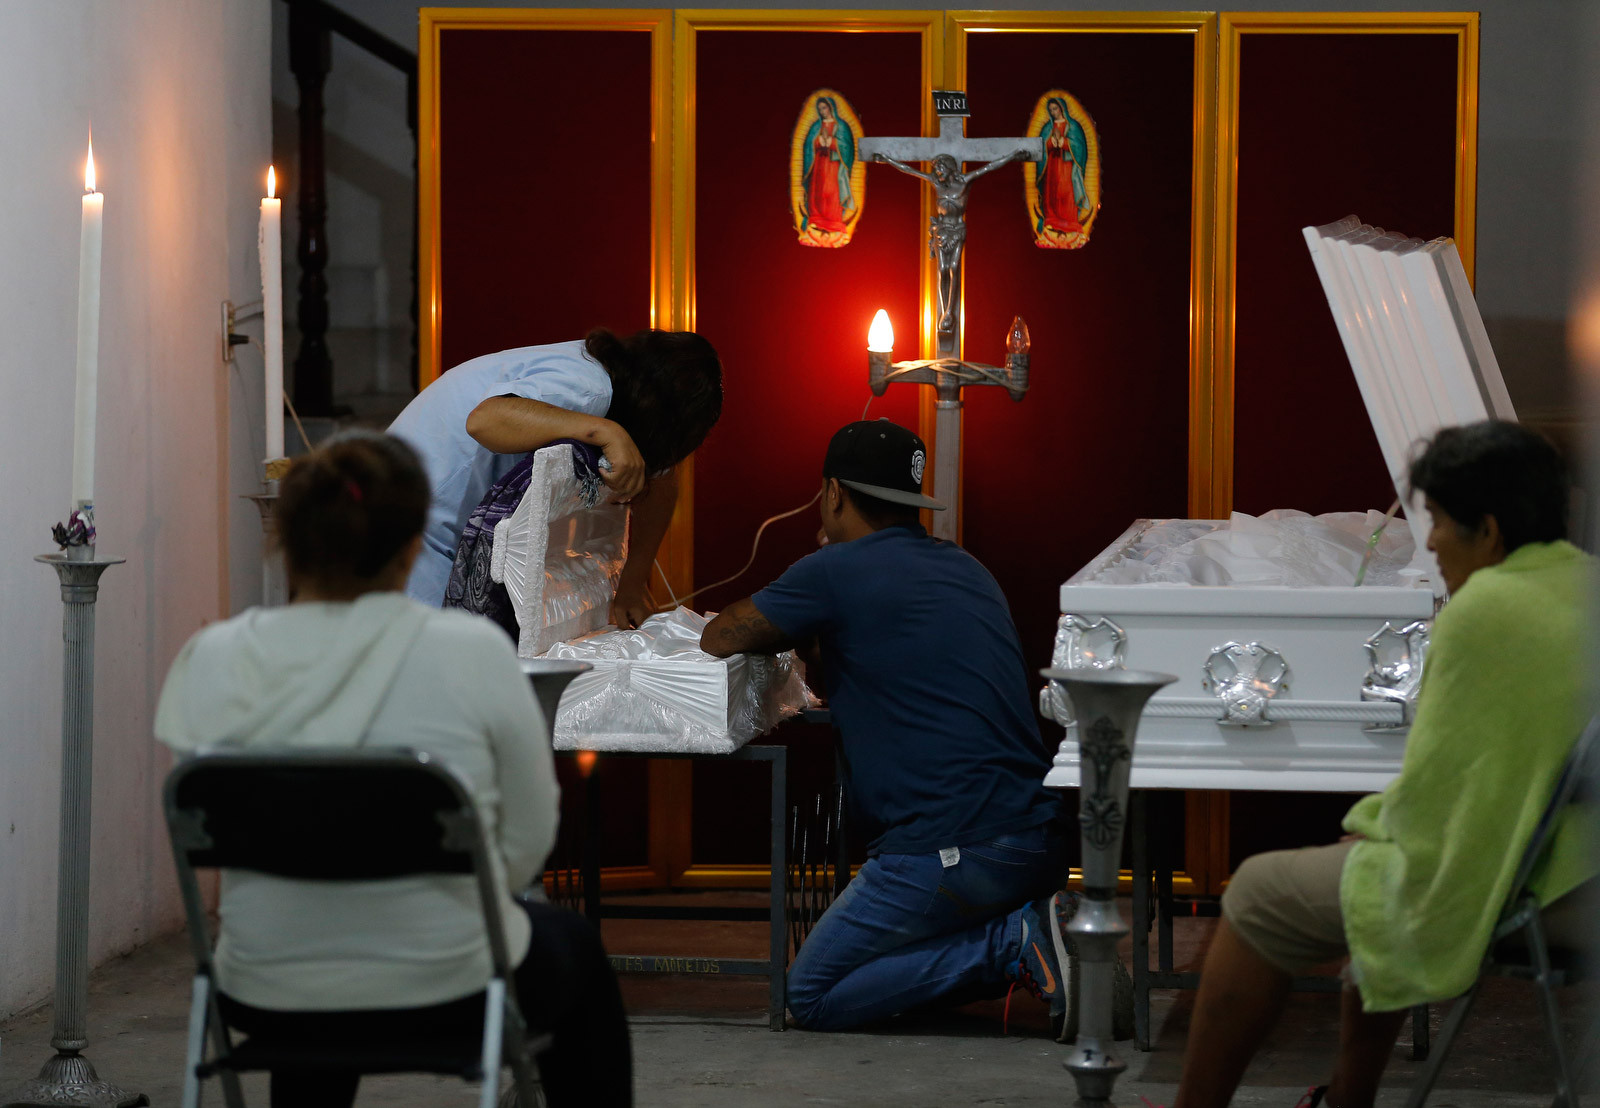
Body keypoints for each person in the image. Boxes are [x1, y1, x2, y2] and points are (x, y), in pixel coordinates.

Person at [155, 431, 631, 1108]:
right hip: (450, 982)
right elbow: (527, 843)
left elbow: (208, 810)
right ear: (414, 546)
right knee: (575, 947)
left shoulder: (211, 658)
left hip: (265, 990)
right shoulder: (472, 653)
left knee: (320, 954)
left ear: (285, 539)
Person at [1173, 420, 1599, 1108]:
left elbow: (1438, 783)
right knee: (1369, 870)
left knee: (1258, 892)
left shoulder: (1485, 608)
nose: (1428, 541)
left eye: (1438, 522)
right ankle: (1350, 1094)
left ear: (1487, 530)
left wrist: (1378, 828)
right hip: (1579, 867)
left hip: (1529, 882)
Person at [700, 418, 1132, 1038]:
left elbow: (722, 635)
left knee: (814, 994)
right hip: (1035, 839)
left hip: (954, 849)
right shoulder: (966, 568)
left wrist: (816, 586)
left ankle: (1016, 942)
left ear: (833, 494)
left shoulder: (835, 572)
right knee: (881, 963)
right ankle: (1027, 934)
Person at [388, 328, 723, 626]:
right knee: (425, 668)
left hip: (444, 523)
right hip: (407, 518)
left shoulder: (631, 393)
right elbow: (485, 421)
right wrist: (605, 431)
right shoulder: (590, 386)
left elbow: (663, 483)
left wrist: (633, 581)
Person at [802, 96, 855, 235]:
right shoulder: (816, 127)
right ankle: (816, 218)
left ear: (831, 108)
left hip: (834, 165)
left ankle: (834, 221)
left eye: (824, 108)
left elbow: (848, 148)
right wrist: (817, 141)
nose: (822, 111)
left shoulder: (841, 126)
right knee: (818, 190)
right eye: (819, 109)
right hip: (819, 164)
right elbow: (808, 146)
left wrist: (832, 142)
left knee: (832, 191)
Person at [1037, 96, 1088, 237]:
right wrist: (1050, 143)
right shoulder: (1048, 128)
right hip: (1052, 165)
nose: (1053, 112)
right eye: (1051, 110)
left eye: (1055, 109)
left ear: (1062, 108)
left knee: (1066, 191)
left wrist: (1064, 143)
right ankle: (1052, 220)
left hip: (1067, 166)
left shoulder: (1073, 126)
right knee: (1052, 192)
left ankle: (1069, 222)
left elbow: (1080, 147)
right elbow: (1041, 147)